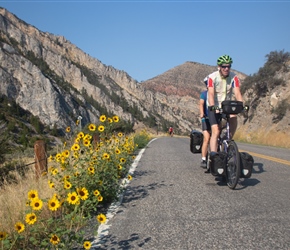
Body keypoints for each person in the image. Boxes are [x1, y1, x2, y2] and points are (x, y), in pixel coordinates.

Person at [207, 55, 243, 153]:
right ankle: (214, 157)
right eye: (224, 66)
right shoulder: (212, 77)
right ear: (219, 67)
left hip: (226, 106)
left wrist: (241, 105)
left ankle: (228, 141)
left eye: (228, 66)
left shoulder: (234, 77)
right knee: (216, 131)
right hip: (214, 106)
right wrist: (212, 106)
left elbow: (237, 93)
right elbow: (210, 93)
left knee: (234, 117)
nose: (226, 68)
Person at [199, 77, 211, 168]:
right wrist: (202, 113)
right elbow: (201, 104)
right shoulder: (204, 94)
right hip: (206, 119)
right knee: (207, 139)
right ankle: (203, 159)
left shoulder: (217, 95)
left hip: (215, 118)